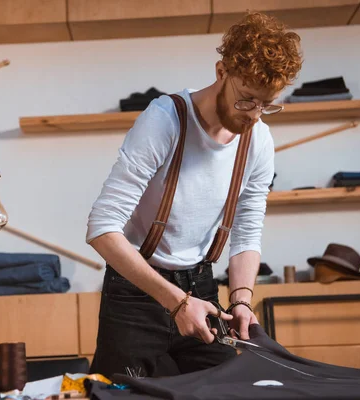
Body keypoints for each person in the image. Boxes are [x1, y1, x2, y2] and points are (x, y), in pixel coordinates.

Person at [85, 12, 303, 378]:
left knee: (224, 388)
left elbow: (247, 234)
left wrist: (242, 300)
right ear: (221, 72)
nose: (254, 116)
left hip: (202, 288)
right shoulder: (165, 119)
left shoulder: (258, 139)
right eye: (246, 99)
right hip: (136, 291)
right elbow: (101, 228)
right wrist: (175, 301)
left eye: (266, 105)